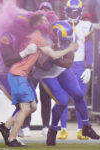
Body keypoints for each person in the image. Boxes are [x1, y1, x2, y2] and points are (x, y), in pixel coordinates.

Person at [0, 13, 78, 147]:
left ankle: (6, 126)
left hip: (21, 75)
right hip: (18, 75)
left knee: (33, 107)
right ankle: (12, 138)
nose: (47, 23)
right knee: (25, 108)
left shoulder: (28, 36)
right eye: (44, 21)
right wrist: (69, 48)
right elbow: (53, 55)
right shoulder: (37, 37)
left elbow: (41, 59)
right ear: (37, 24)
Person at [34, 20, 100, 146]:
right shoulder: (42, 40)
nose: (67, 42)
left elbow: (68, 62)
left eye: (68, 40)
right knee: (63, 101)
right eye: (64, 40)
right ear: (55, 36)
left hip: (61, 69)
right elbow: (43, 65)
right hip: (46, 74)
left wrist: (56, 56)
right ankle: (53, 130)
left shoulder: (68, 36)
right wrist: (56, 55)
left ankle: (86, 127)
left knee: (78, 94)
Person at [19, 1, 59, 137]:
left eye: (48, 10)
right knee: (30, 98)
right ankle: (25, 126)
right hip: (33, 68)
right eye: (44, 10)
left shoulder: (54, 31)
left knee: (46, 98)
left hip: (46, 69)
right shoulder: (32, 29)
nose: (46, 13)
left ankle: (46, 126)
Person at [57, 0, 95, 140]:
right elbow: (57, 47)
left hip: (80, 66)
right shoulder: (60, 25)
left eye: (76, 11)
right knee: (62, 99)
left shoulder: (87, 26)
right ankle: (63, 129)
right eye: (71, 11)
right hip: (65, 65)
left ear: (80, 11)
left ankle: (81, 129)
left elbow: (89, 48)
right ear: (66, 11)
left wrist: (89, 67)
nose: (73, 14)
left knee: (80, 99)